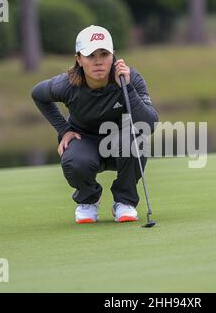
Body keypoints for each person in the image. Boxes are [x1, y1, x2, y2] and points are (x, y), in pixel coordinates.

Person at [31, 25, 159, 224]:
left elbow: (149, 124)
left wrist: (127, 87)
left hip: (120, 141)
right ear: (79, 59)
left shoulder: (130, 78)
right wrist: (64, 130)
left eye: (104, 54)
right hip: (84, 140)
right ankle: (89, 199)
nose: (98, 61)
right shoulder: (66, 84)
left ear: (113, 56)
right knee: (73, 161)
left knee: (136, 139)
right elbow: (38, 94)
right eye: (90, 55)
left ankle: (124, 201)